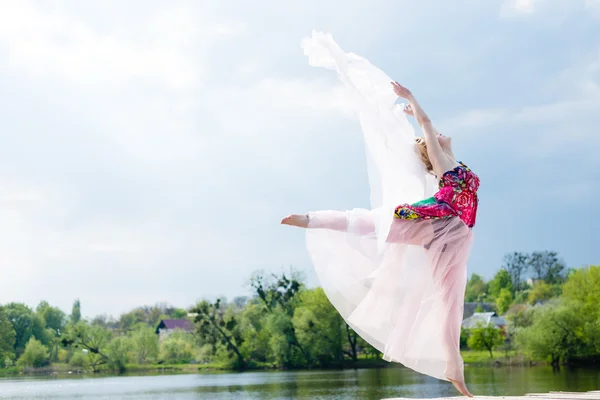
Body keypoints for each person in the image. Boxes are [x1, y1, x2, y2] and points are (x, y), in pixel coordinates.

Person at [281, 32, 480, 397]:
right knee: (372, 222)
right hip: (435, 223)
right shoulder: (441, 164)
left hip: (459, 237)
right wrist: (411, 100)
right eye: (433, 136)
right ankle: (310, 218)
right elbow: (426, 122)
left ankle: (456, 372)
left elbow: (431, 129)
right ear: (429, 150)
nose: (438, 134)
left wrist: (418, 120)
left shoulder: (456, 162)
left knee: (450, 306)